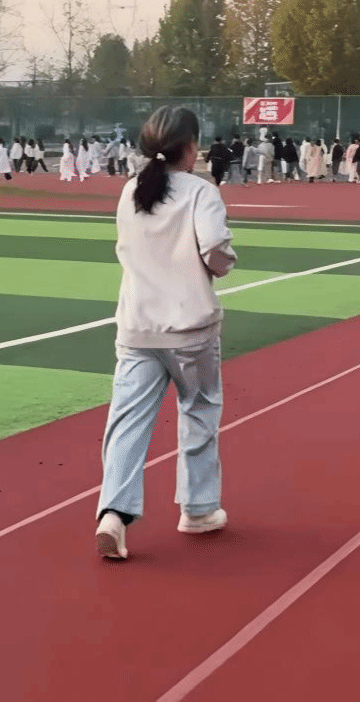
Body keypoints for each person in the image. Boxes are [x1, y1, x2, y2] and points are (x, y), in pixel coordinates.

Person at [94, 106, 237, 560]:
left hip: (137, 326)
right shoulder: (201, 192)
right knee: (199, 410)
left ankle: (113, 513)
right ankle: (198, 508)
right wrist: (223, 265)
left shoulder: (131, 190)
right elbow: (215, 250)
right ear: (191, 148)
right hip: (190, 328)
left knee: (127, 422)